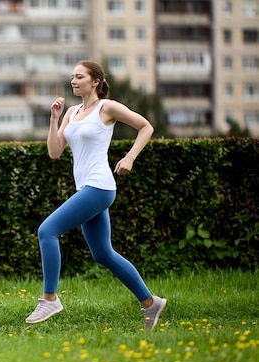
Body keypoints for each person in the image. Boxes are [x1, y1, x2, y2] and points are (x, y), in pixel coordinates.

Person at [25, 60, 166, 331]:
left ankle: (50, 299)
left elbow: (146, 126)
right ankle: (150, 303)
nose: (73, 81)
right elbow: (54, 152)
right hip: (86, 188)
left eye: (79, 77)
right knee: (103, 253)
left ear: (95, 82)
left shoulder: (107, 107)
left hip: (99, 186)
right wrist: (54, 119)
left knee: (47, 230)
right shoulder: (72, 112)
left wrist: (130, 157)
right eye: (72, 77)